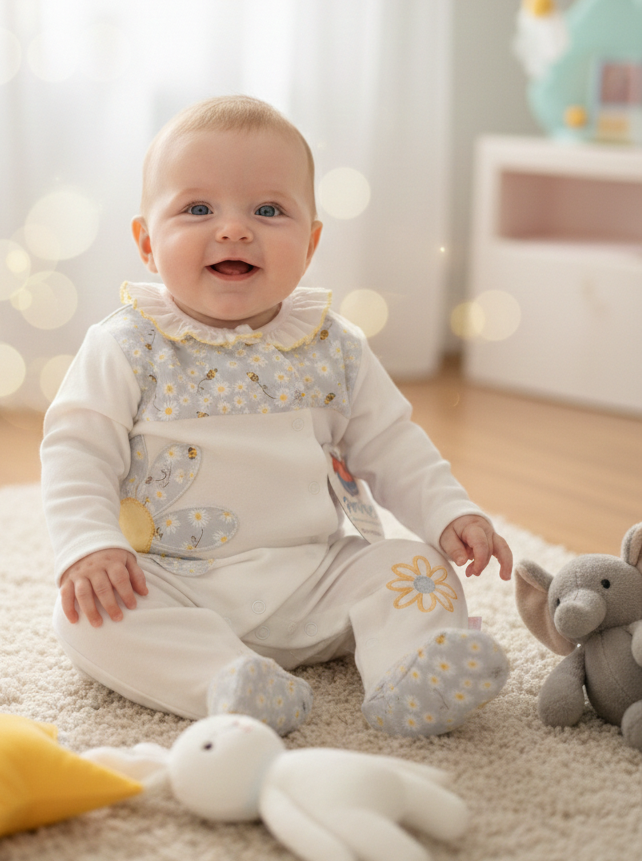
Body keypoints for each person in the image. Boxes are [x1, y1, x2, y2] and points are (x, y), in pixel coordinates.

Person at [41, 95, 512, 737]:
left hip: (313, 578)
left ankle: (412, 673)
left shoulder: (333, 345)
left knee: (418, 569)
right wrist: (89, 547)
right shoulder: (126, 345)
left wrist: (449, 511)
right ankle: (228, 682)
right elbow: (77, 450)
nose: (234, 229)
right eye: (198, 209)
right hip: (173, 577)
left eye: (268, 210)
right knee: (87, 616)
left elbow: (390, 441)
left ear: (311, 242)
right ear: (147, 244)